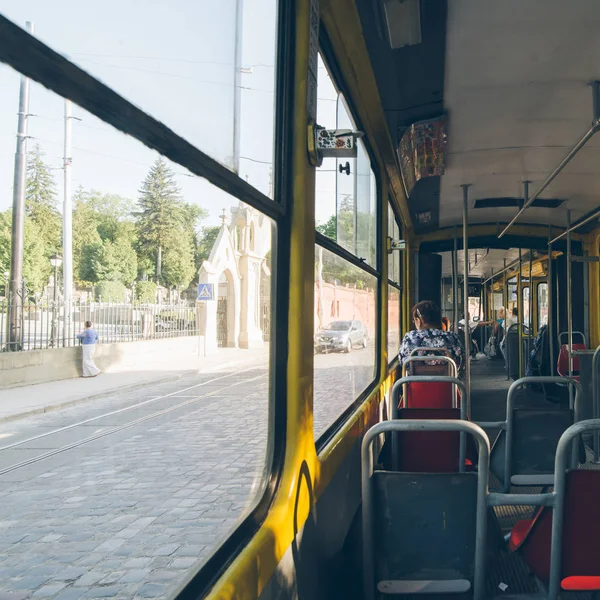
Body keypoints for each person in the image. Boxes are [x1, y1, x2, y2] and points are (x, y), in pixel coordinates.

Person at [399, 300, 464, 373]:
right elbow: (460, 361)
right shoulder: (451, 337)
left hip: (417, 383)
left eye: (414, 320)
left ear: (419, 321)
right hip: (447, 383)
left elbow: (403, 362)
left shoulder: (410, 337)